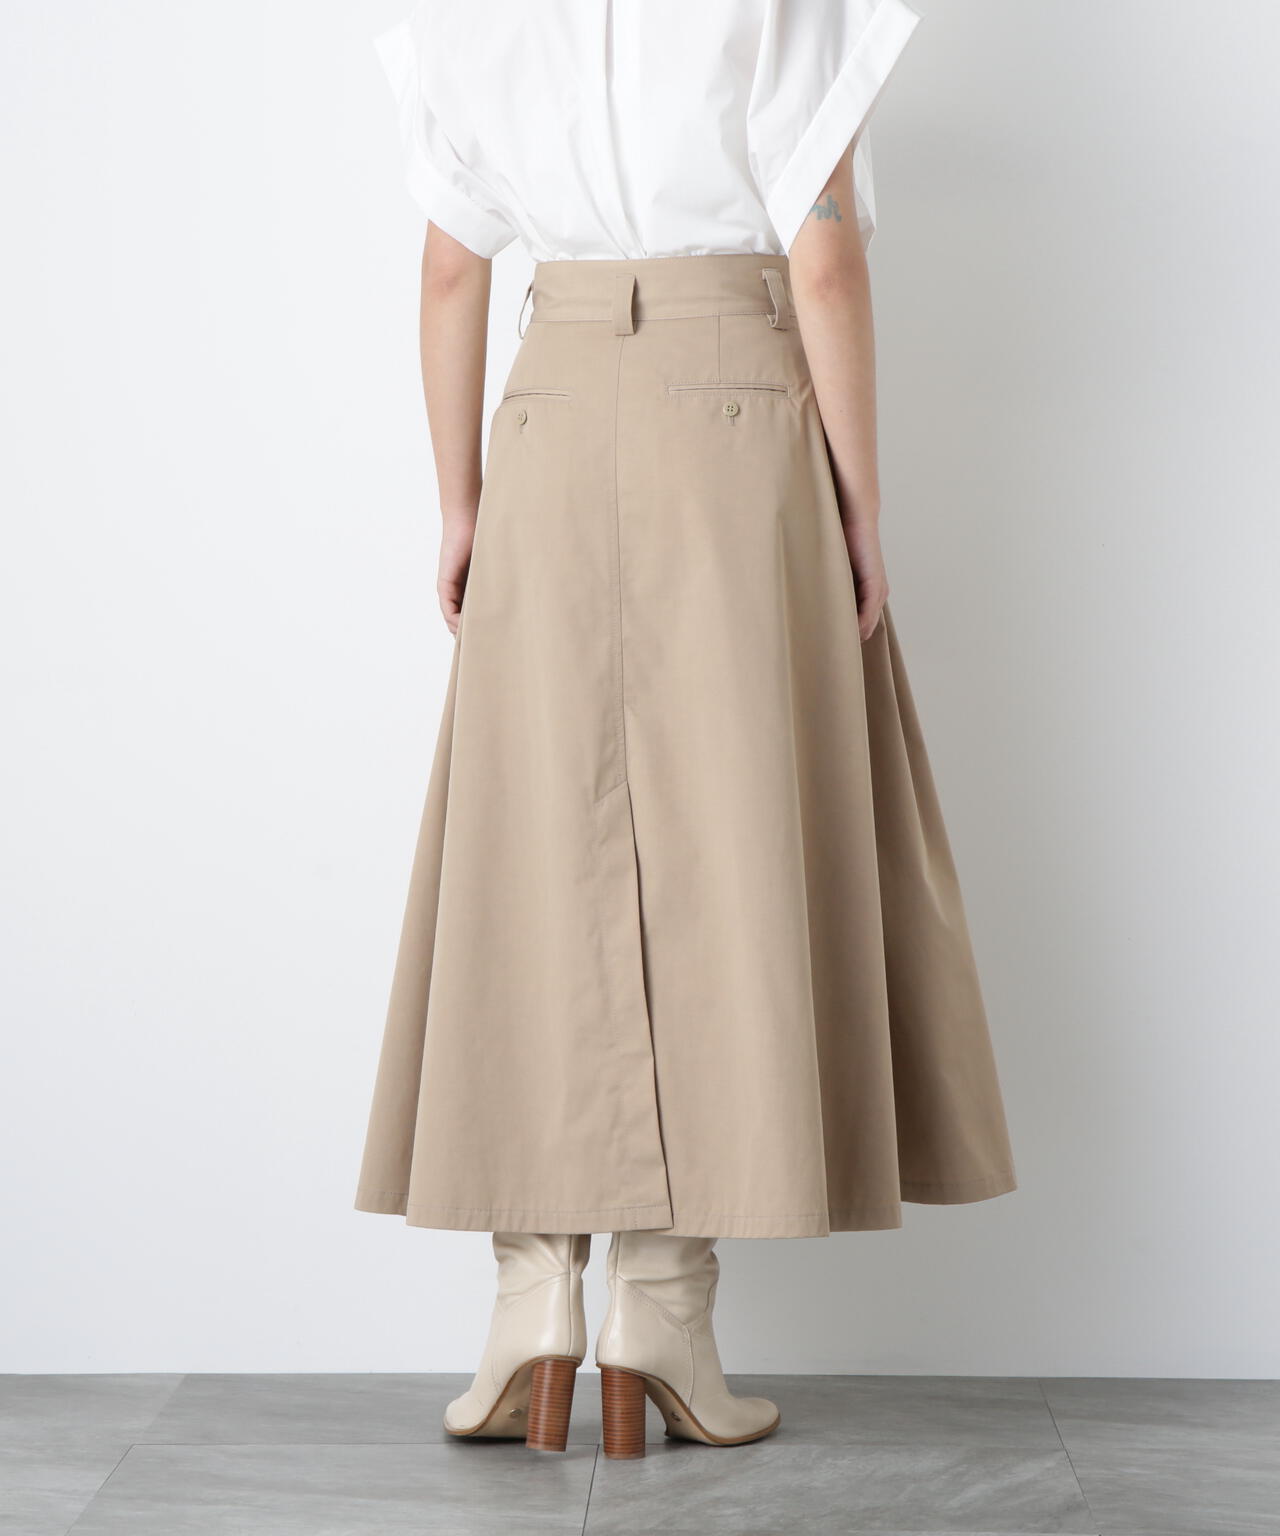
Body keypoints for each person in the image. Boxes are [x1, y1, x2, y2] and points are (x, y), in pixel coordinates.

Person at [355, 0, 1016, 1461]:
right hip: (733, 415)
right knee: (720, 855)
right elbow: (823, 258)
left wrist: (459, 502)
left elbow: (452, 266)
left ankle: (529, 1305)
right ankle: (662, 1310)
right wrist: (862, 506)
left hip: (549, 407)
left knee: (539, 858)